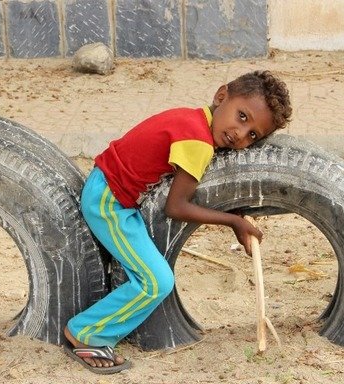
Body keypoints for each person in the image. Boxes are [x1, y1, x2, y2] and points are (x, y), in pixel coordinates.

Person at [63, 70, 292, 374]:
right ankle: (87, 332)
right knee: (156, 281)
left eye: (252, 135)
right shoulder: (198, 143)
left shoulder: (193, 119)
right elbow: (177, 206)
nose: (240, 133)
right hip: (108, 202)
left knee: (149, 270)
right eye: (241, 116)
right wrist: (233, 222)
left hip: (109, 188)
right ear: (221, 96)